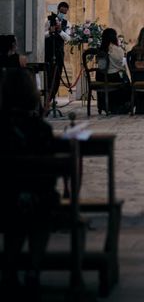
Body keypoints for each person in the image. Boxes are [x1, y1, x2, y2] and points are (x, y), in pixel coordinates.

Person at [0, 68, 60, 297]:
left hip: (4, 196)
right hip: (38, 199)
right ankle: (33, 269)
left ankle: (9, 269)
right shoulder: (41, 130)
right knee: (37, 209)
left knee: (13, 206)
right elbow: (52, 175)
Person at [96, 27, 131, 114]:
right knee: (126, 81)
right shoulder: (116, 49)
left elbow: (101, 65)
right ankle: (121, 106)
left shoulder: (101, 49)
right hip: (112, 77)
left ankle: (106, 105)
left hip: (100, 77)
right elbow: (121, 62)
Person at [44, 1, 70, 103]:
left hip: (59, 53)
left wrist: (60, 31)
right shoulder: (48, 20)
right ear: (58, 10)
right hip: (48, 52)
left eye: (65, 12)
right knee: (49, 75)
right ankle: (47, 99)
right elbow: (42, 35)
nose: (62, 14)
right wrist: (50, 32)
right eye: (61, 11)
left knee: (57, 76)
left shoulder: (67, 23)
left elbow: (68, 38)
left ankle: (50, 98)